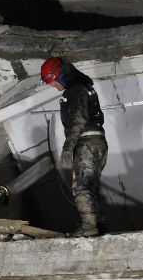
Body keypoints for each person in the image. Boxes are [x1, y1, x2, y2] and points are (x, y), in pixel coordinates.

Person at [40, 57, 109, 237]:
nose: (53, 86)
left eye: (52, 81)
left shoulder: (75, 90)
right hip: (97, 142)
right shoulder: (83, 86)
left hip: (87, 142)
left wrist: (68, 147)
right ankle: (97, 223)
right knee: (91, 186)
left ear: (59, 75)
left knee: (81, 186)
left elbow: (78, 120)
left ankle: (89, 227)